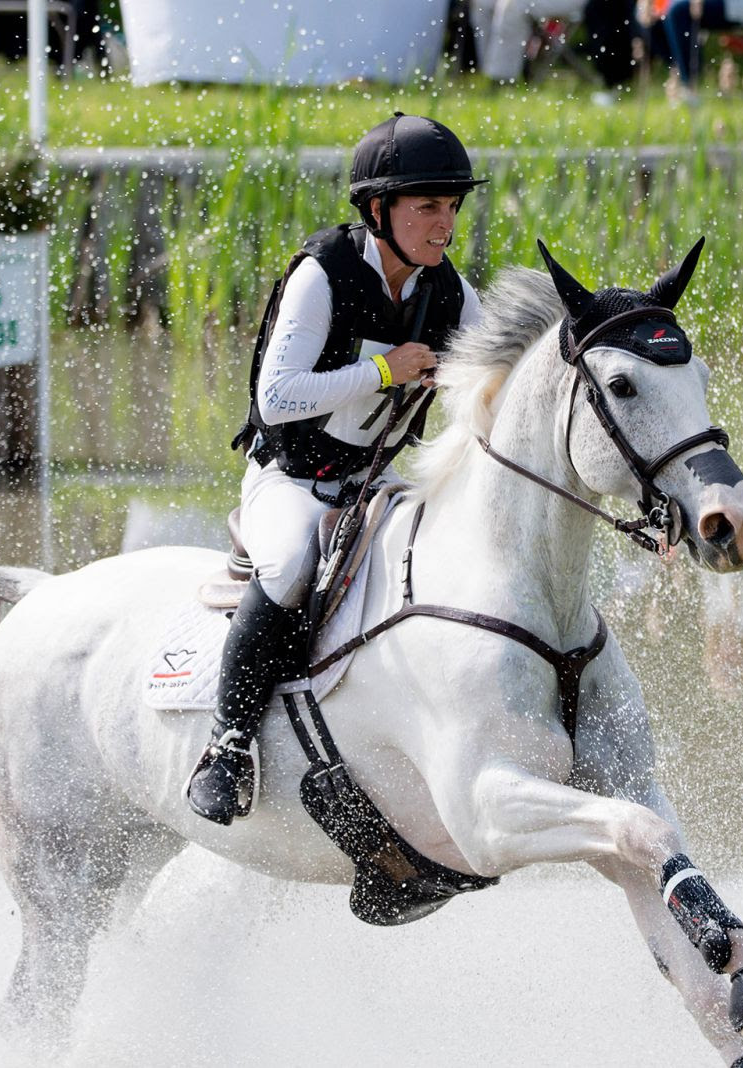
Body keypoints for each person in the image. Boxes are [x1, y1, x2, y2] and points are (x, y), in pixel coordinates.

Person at [185, 113, 487, 826]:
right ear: (379, 210)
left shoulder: (449, 292)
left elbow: (489, 392)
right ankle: (227, 744)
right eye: (428, 208)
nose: (445, 225)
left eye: (452, 207)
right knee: (290, 565)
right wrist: (384, 369)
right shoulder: (324, 274)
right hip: (289, 479)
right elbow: (277, 396)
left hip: (373, 486)